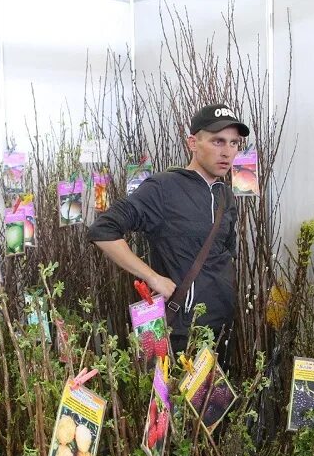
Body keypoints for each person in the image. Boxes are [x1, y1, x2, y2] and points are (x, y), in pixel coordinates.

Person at [88, 104, 244, 355]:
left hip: (221, 326)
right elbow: (104, 230)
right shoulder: (163, 188)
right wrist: (152, 277)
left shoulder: (225, 195)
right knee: (174, 395)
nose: (227, 152)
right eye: (217, 141)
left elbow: (226, 256)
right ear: (193, 143)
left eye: (234, 143)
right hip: (180, 331)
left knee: (215, 395)